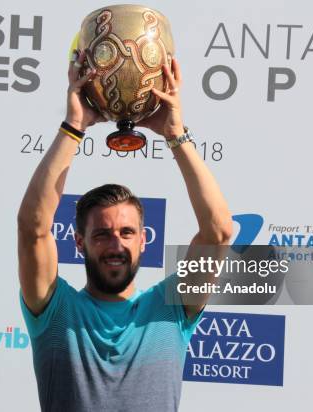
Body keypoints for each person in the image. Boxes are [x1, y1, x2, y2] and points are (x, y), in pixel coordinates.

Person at [17, 50, 232, 412]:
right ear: (80, 243)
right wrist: (74, 126)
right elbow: (32, 229)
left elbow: (219, 233)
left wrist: (175, 134)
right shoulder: (55, 310)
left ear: (144, 240)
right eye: (102, 234)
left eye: (127, 233)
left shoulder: (172, 309)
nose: (116, 243)